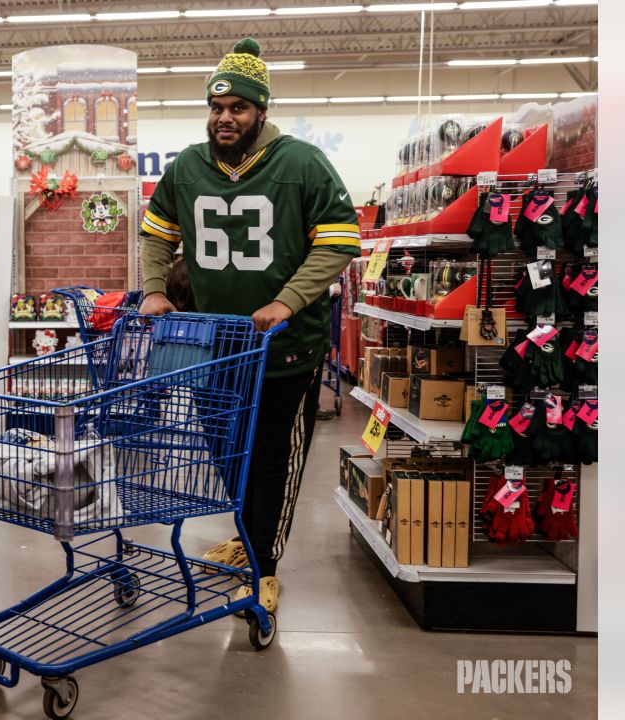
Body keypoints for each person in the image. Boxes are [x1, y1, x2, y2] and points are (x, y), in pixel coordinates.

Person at [138, 37, 360, 615]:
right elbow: (156, 231)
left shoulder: (303, 163)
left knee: (271, 461)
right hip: (216, 347)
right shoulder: (187, 166)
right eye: (216, 107)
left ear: (261, 109)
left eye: (237, 107)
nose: (224, 118)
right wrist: (156, 289)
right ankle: (248, 538)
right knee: (226, 453)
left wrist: (288, 300)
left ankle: (265, 567)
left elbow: (340, 240)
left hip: (287, 350)